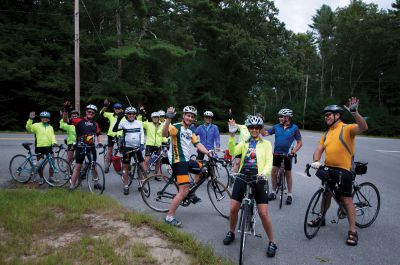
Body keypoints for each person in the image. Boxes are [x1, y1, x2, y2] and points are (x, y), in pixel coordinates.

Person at [309, 97, 368, 246]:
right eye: (325, 115)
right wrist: (316, 161)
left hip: (345, 169)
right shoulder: (327, 133)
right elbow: (319, 149)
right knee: (326, 194)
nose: (326, 117)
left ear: (337, 115)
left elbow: (363, 127)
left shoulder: (347, 128)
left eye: (328, 114)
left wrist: (355, 113)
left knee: (346, 200)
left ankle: (352, 231)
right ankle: (321, 218)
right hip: (329, 169)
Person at [223, 115, 277, 258]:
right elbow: (233, 152)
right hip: (242, 177)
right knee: (233, 208)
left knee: (263, 213)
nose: (254, 130)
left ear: (260, 129)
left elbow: (269, 163)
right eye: (252, 127)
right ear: (249, 129)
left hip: (259, 178)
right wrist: (232, 136)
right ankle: (232, 232)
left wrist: (264, 174)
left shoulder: (266, 144)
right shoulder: (245, 142)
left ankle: (272, 241)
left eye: (257, 128)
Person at [162, 106, 211, 227]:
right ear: (183, 116)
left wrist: (209, 153)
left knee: (203, 168)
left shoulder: (190, 131)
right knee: (183, 191)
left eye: (192, 116)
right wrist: (168, 119)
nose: (190, 118)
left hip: (187, 160)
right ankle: (169, 217)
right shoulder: (176, 126)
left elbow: (198, 144)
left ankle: (191, 193)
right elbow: (164, 133)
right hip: (178, 162)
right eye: (188, 115)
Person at [265, 108, 303, 205]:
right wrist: (259, 126)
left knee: (288, 174)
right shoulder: (276, 127)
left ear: (288, 117)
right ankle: (273, 192)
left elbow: (300, 143)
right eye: (279, 116)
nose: (280, 118)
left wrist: (293, 152)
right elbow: (265, 134)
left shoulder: (294, 128)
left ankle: (290, 194)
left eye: (282, 116)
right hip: (277, 153)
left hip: (288, 154)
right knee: (273, 172)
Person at [63, 103, 102, 190]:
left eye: (92, 112)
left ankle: (96, 183)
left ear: (94, 114)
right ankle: (72, 185)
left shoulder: (95, 124)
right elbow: (66, 120)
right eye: (89, 111)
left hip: (91, 147)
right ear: (86, 112)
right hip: (80, 147)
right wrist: (65, 111)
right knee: (78, 166)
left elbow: (98, 134)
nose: (90, 113)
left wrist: (99, 143)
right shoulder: (78, 120)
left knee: (93, 165)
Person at [113, 106, 145, 195]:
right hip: (127, 147)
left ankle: (141, 184)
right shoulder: (123, 123)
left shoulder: (139, 122)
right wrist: (119, 119)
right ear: (126, 115)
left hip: (137, 147)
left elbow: (142, 134)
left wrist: (142, 143)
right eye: (129, 114)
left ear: (135, 115)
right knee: (126, 167)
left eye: (133, 114)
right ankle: (126, 186)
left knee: (141, 167)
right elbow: (114, 129)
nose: (131, 115)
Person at [26, 110, 57, 183]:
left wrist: (54, 142)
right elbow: (28, 129)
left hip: (49, 148)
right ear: (41, 118)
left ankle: (51, 178)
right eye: (43, 117)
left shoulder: (50, 127)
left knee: (52, 163)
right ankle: (42, 178)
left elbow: (52, 136)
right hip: (40, 148)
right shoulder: (36, 125)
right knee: (40, 165)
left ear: (48, 119)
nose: (44, 119)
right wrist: (30, 119)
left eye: (46, 117)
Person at [100, 100, 125, 173]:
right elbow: (101, 113)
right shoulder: (111, 115)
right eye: (116, 108)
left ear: (121, 109)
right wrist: (105, 106)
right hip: (111, 135)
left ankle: (123, 167)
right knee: (109, 151)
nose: (117, 109)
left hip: (119, 135)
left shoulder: (124, 116)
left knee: (122, 151)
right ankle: (107, 166)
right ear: (114, 109)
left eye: (119, 108)